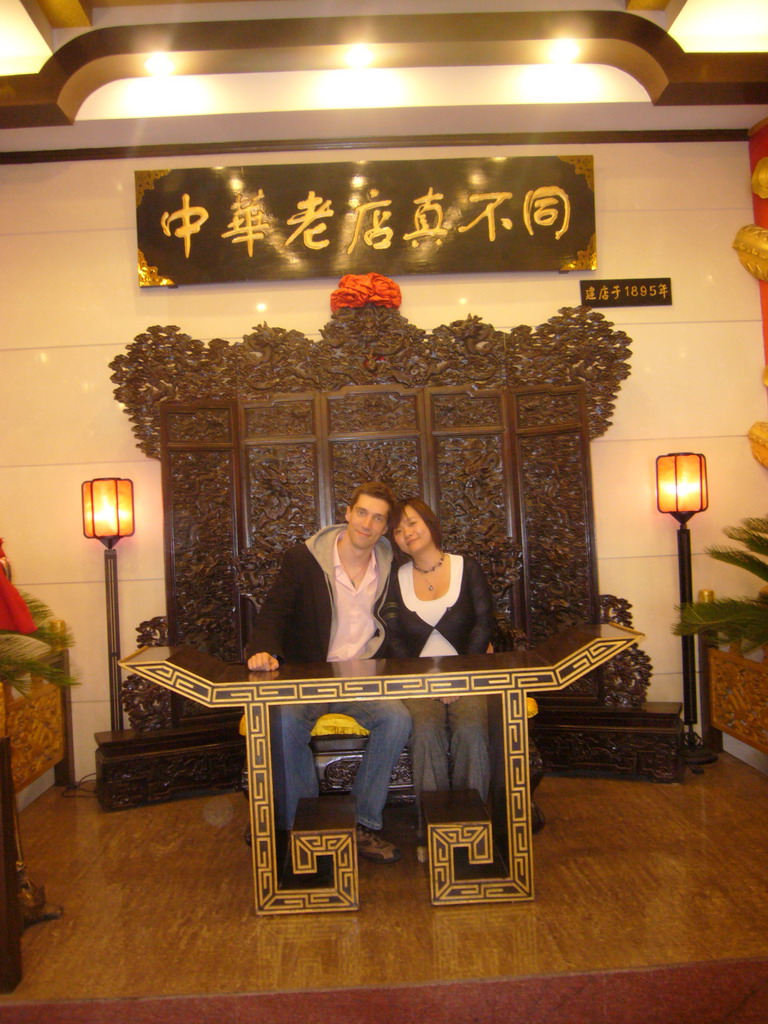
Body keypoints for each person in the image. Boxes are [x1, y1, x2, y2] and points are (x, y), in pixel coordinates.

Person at [245, 481, 410, 864]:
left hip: (362, 679)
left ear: (386, 528)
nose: (368, 524)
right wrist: (262, 650)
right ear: (348, 513)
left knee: (397, 719)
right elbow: (274, 612)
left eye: (379, 519)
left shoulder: (393, 565)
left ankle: (363, 823)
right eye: (363, 513)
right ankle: (305, 826)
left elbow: (420, 614)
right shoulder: (303, 559)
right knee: (283, 723)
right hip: (308, 679)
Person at [385, 498, 496, 860]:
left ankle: (473, 827)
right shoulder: (395, 578)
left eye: (412, 523)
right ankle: (430, 831)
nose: (406, 534)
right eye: (398, 530)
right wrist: (427, 681)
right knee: (426, 730)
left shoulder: (468, 567)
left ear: (430, 524)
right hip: (418, 680)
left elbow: (484, 622)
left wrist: (459, 677)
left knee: (471, 728)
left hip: (470, 675)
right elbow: (395, 638)